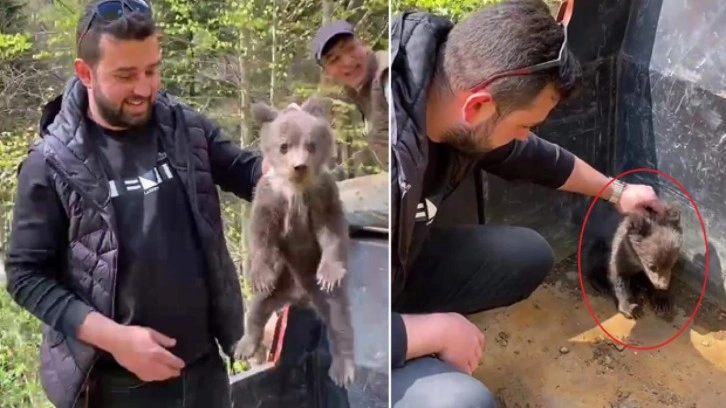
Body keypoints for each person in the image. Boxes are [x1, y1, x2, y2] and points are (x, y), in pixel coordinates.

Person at [388, 1, 665, 407]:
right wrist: (429, 332)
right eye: (524, 126)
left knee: (526, 255)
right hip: (340, 331)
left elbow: (534, 157)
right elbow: (312, 321)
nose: (525, 137)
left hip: (395, 270)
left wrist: (618, 192)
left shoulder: (450, 98)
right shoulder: (381, 158)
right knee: (463, 402)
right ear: (478, 106)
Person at [4, 1, 266, 407]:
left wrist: (291, 161)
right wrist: (117, 339)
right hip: (117, 387)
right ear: (85, 73)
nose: (145, 88)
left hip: (205, 374)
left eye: (152, 69)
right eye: (125, 75)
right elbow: (25, 277)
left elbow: (247, 173)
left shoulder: (184, 126)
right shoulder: (51, 162)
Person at [311, 19, 390, 168]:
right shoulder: (360, 90)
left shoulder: (387, 77)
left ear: (363, 44)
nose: (347, 61)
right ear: (327, 73)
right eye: (334, 59)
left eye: (350, 48)